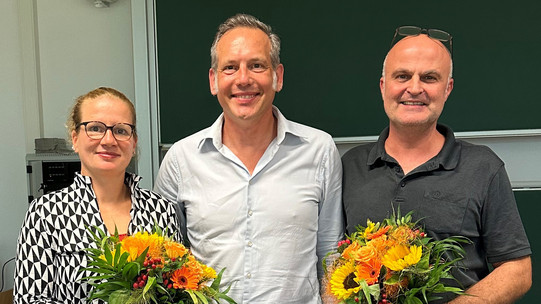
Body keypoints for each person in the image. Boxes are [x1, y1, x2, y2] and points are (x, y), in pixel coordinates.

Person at [154, 13, 344, 303]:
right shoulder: (181, 160)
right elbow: (165, 263)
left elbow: (331, 256)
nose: (243, 80)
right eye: (230, 68)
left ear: (277, 76)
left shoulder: (319, 150)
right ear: (213, 80)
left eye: (257, 66)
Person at [342, 26, 532, 303]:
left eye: (429, 78)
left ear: (447, 88)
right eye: (402, 76)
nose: (415, 88)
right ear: (383, 86)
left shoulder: (483, 167)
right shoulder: (350, 166)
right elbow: (332, 259)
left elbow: (517, 270)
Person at [14, 87, 181, 303]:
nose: (109, 140)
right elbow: (30, 299)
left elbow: (177, 292)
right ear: (75, 139)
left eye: (121, 130)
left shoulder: (161, 210)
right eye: (95, 128)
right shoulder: (46, 214)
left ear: (134, 143)